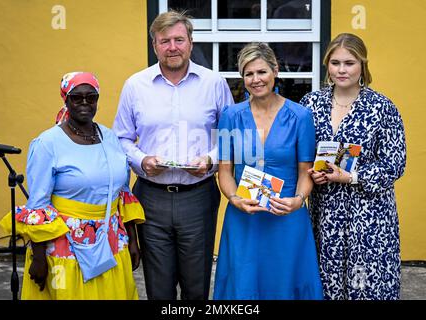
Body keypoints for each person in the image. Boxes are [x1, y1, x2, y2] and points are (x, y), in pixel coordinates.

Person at [112, 10, 234, 300]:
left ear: (191, 43)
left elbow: (230, 137)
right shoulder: (135, 85)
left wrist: (209, 160)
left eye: (179, 39)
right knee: (158, 286)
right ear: (155, 46)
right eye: (164, 41)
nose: (172, 47)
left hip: (199, 195)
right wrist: (141, 160)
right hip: (150, 197)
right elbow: (121, 138)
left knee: (197, 284)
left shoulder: (214, 83)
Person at [0, 72, 145, 299]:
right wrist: (39, 258)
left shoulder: (110, 137)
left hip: (111, 243)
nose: (85, 103)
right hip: (65, 249)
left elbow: (122, 193)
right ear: (66, 99)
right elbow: (39, 203)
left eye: (91, 97)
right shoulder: (48, 143)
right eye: (77, 97)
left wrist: (133, 240)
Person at [299, 33, 407, 300]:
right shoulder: (310, 104)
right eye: (335, 63)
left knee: (366, 285)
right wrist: (312, 174)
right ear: (327, 65)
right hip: (326, 214)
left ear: (362, 65)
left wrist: (350, 176)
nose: (341, 69)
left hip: (369, 217)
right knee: (328, 282)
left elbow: (395, 163)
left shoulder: (382, 107)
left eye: (349, 62)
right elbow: (301, 156)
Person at [213, 42, 323, 300]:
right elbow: (225, 171)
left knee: (285, 280)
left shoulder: (300, 116)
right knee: (244, 282)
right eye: (248, 74)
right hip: (244, 217)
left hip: (287, 215)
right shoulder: (230, 116)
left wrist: (297, 201)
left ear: (275, 71)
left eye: (261, 72)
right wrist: (234, 199)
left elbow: (306, 171)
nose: (255, 79)